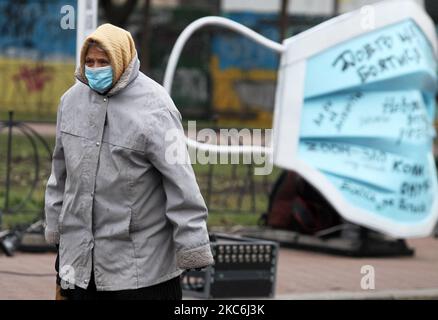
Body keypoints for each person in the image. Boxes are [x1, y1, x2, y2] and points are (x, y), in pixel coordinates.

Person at [44, 23, 214, 300]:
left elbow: (181, 182)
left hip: (140, 267)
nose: (95, 68)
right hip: (78, 259)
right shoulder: (71, 101)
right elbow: (59, 175)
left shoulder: (156, 106)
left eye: (104, 61)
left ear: (122, 59)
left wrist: (192, 245)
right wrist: (55, 228)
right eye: (90, 61)